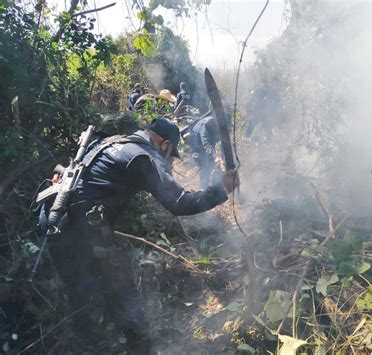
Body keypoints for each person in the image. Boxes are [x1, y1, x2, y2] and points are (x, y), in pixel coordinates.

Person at [48, 118, 239, 354]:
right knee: (128, 304)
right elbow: (179, 202)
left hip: (57, 229)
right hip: (85, 236)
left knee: (83, 301)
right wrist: (221, 189)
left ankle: (88, 342)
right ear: (165, 144)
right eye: (170, 154)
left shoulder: (108, 143)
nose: (167, 160)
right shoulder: (143, 156)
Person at [186, 100, 232, 188]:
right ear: (214, 112)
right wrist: (214, 155)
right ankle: (204, 189)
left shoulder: (227, 119)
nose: (224, 115)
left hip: (211, 142)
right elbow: (205, 142)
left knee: (218, 164)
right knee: (205, 164)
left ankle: (218, 186)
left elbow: (225, 140)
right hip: (197, 144)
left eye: (224, 112)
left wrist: (225, 156)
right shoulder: (206, 125)